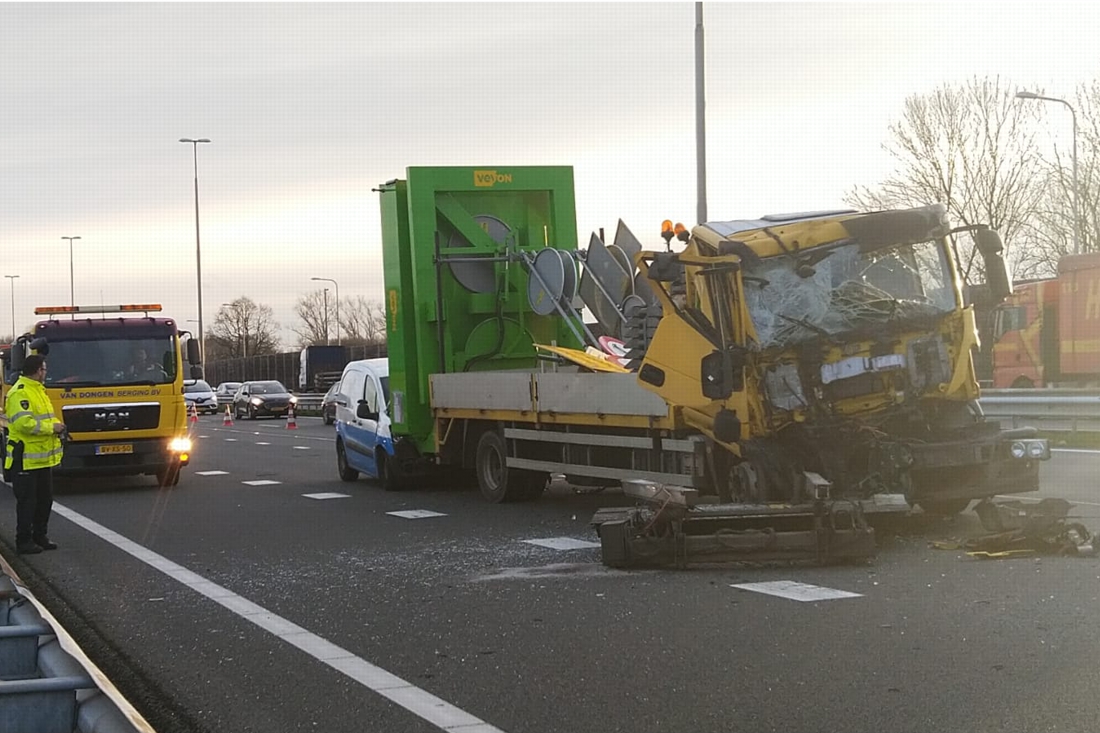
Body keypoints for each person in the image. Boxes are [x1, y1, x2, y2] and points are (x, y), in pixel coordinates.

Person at [4, 354, 65, 554]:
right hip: (25, 459)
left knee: (44, 500)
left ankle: (40, 536)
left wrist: (58, 428)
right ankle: (24, 541)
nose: (45, 373)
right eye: (44, 369)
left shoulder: (39, 391)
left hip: (42, 458)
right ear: (38, 370)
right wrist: (52, 428)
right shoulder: (19, 393)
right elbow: (24, 423)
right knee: (27, 502)